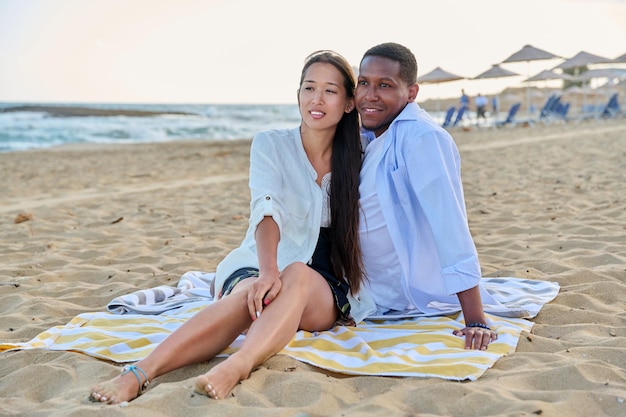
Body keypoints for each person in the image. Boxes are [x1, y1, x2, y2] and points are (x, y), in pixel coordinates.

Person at [89, 49, 365, 404]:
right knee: (252, 295)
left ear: (347, 103)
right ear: (297, 94)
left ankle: (238, 364)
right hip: (261, 260)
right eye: (308, 88)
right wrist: (267, 272)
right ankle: (140, 371)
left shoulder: (358, 157)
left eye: (329, 91)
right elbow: (267, 209)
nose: (316, 99)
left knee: (294, 274)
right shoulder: (271, 144)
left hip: (323, 283)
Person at [355, 42, 498, 351]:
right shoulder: (372, 135)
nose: (370, 94)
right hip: (358, 285)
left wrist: (474, 318)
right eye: (363, 82)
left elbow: (449, 225)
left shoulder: (422, 138)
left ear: (411, 93)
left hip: (388, 294)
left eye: (385, 85)